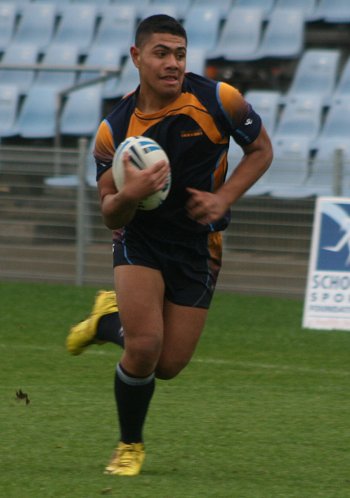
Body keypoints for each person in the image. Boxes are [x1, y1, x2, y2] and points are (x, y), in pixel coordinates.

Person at [66, 14, 273, 477]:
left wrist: (223, 198)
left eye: (179, 53)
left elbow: (261, 150)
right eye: (161, 53)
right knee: (144, 348)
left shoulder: (219, 100)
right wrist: (131, 195)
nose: (173, 62)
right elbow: (109, 214)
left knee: (169, 364)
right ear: (137, 57)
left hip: (199, 245)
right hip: (141, 239)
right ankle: (129, 445)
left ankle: (106, 320)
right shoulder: (114, 130)